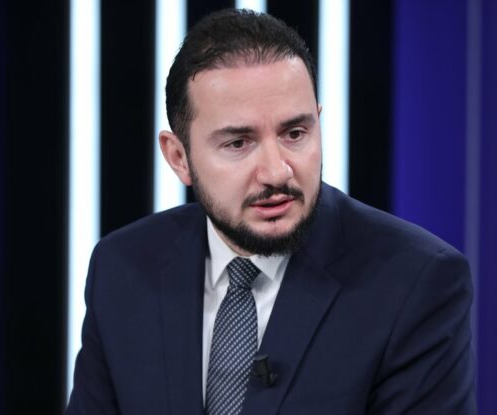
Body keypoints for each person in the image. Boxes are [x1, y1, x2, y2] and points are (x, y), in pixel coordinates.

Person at [67, 9, 476, 415]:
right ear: (179, 157)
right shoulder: (121, 269)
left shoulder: (415, 283)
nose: (276, 171)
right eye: (238, 143)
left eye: (295, 134)